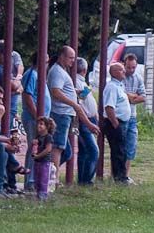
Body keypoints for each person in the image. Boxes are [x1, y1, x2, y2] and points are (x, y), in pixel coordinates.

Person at [46, 46, 99, 169]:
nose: (72, 61)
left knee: (67, 152)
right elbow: (56, 91)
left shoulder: (62, 71)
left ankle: (49, 173)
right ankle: (52, 178)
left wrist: (75, 91)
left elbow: (61, 89)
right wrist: (73, 103)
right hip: (61, 113)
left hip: (66, 113)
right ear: (61, 57)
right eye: (70, 58)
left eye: (74, 58)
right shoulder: (57, 72)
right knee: (58, 147)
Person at [20, 52, 51, 193]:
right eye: (45, 61)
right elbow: (27, 95)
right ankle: (30, 180)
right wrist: (38, 116)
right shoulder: (31, 74)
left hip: (39, 119)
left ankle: (36, 179)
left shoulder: (39, 75)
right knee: (34, 147)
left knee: (38, 147)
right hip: (33, 119)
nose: (47, 64)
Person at [101, 62, 131, 183]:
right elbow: (109, 107)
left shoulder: (119, 86)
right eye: (121, 70)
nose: (124, 71)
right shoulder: (112, 87)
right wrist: (115, 124)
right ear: (113, 72)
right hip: (115, 123)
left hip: (122, 122)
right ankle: (119, 178)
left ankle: (122, 175)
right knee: (118, 151)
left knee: (122, 150)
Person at [74, 57, 99, 185]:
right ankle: (86, 180)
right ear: (84, 70)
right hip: (85, 119)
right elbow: (80, 100)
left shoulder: (81, 82)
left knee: (84, 151)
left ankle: (82, 179)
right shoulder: (77, 82)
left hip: (89, 118)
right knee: (93, 151)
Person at [122, 53, 145, 181]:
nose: (131, 70)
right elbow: (119, 94)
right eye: (129, 67)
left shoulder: (138, 78)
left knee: (131, 145)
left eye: (133, 67)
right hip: (121, 117)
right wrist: (131, 96)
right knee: (120, 147)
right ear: (124, 64)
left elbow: (143, 97)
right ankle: (118, 174)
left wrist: (129, 97)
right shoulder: (120, 76)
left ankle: (125, 175)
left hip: (132, 116)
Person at [31, 116, 56, 200]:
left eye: (41, 124)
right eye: (38, 124)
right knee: (37, 177)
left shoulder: (48, 137)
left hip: (45, 161)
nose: (39, 126)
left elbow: (48, 149)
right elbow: (35, 148)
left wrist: (38, 155)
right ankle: (38, 192)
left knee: (43, 177)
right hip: (37, 161)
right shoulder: (38, 137)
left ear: (47, 126)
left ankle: (43, 193)